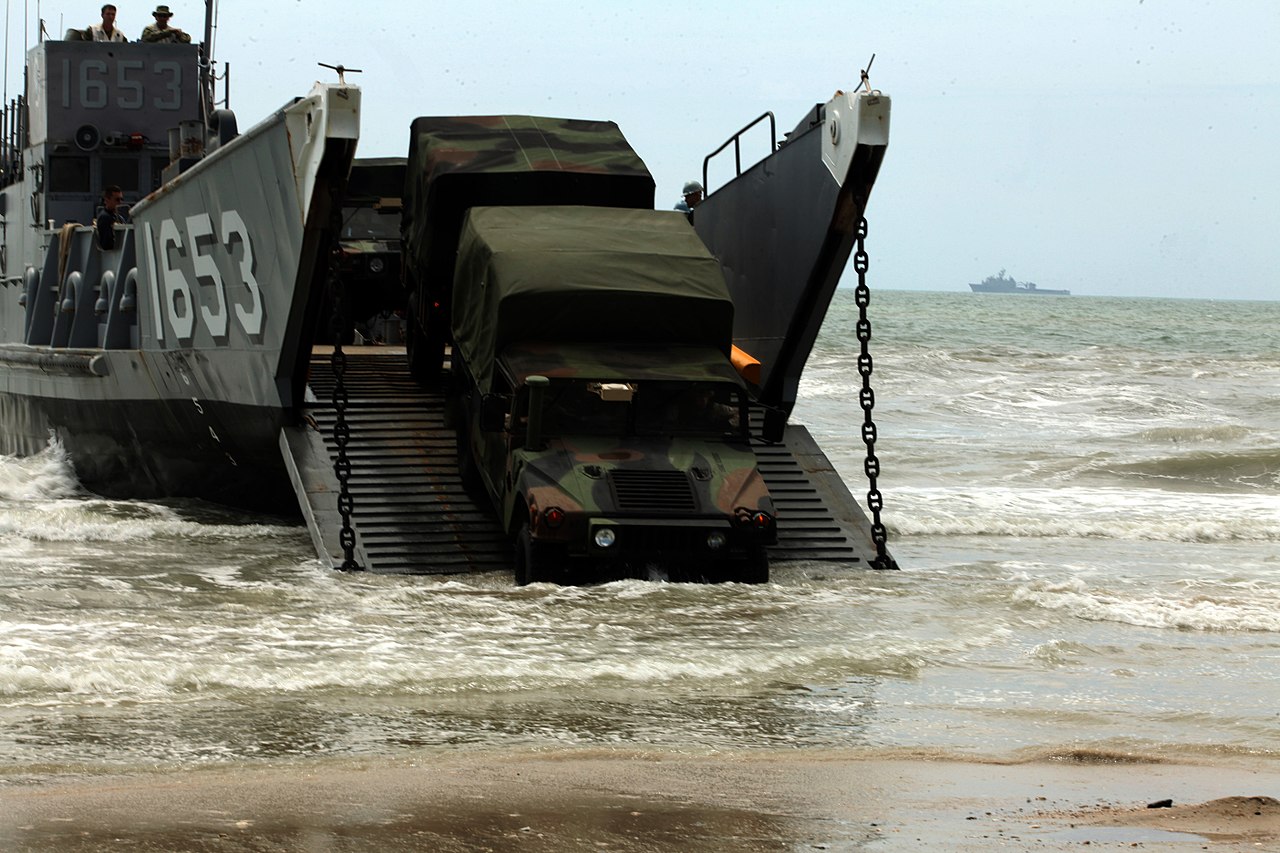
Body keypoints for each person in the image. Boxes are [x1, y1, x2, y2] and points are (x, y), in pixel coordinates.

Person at [96, 185, 129, 250]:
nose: (120, 202)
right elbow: (106, 244)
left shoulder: (119, 217)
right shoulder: (104, 218)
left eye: (121, 199)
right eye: (117, 200)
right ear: (107, 200)